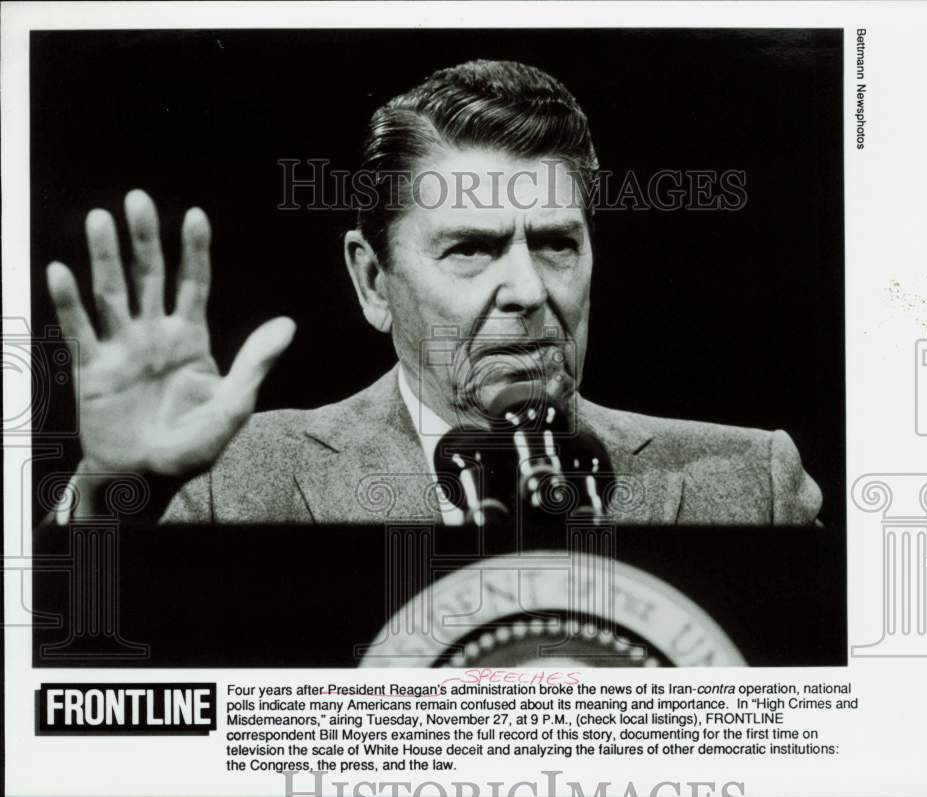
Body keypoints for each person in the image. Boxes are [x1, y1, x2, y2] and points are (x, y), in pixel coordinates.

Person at [45, 59, 822, 526]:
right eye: (472, 248)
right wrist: (114, 494)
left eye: (556, 243)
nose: (526, 288)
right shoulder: (226, 486)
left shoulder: (753, 482)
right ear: (372, 279)